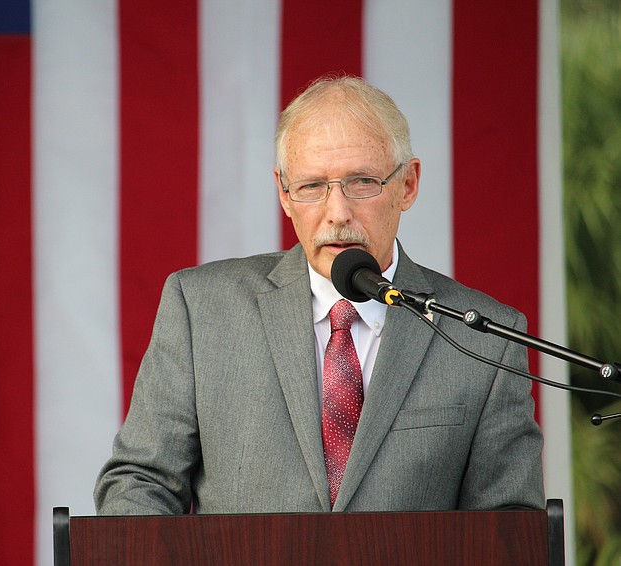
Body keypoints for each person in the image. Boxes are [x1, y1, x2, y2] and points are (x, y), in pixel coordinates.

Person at [94, 75, 544, 515]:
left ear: (407, 185)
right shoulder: (200, 309)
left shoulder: (486, 336)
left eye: (362, 182)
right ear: (284, 194)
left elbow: (506, 528)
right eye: (312, 187)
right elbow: (140, 484)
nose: (337, 213)